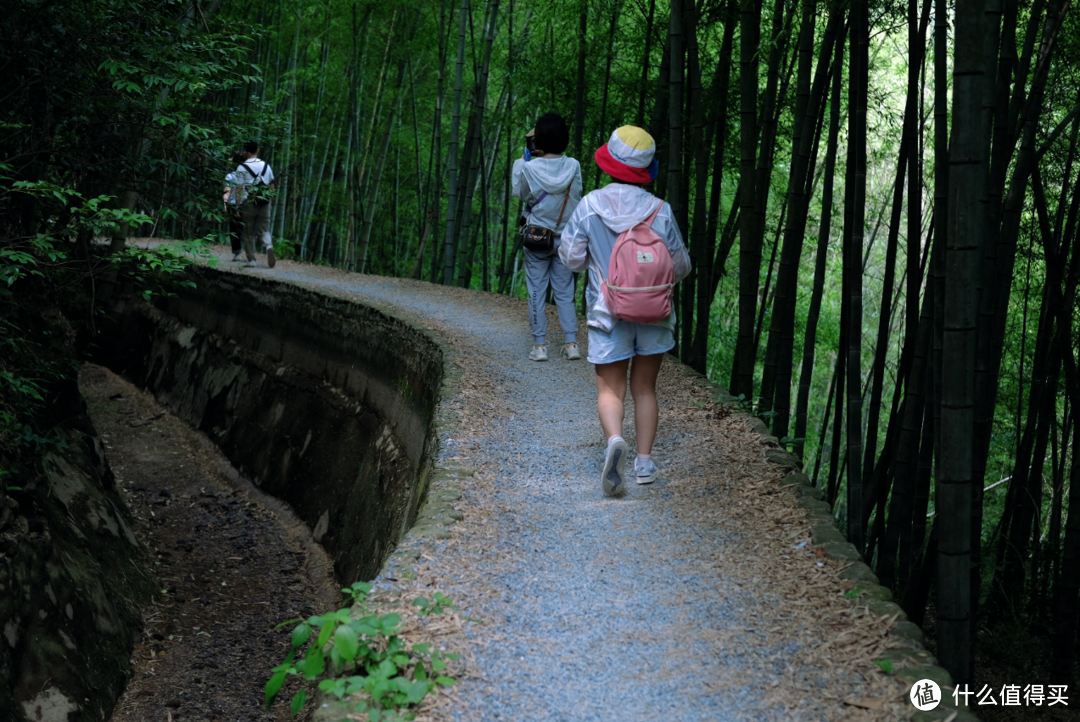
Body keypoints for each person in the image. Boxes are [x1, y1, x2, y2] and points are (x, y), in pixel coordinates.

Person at [559, 126, 691, 496]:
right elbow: (680, 267)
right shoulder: (660, 211)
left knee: (610, 391)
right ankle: (645, 463)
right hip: (655, 313)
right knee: (645, 388)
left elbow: (570, 259)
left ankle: (616, 440)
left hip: (607, 311)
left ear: (609, 164)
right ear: (646, 171)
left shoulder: (589, 206)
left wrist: (601, 264)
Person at [511, 113, 582, 362]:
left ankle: (540, 347)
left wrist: (521, 162)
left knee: (536, 291)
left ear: (538, 140)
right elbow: (576, 198)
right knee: (565, 292)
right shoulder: (574, 166)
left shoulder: (528, 168)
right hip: (565, 239)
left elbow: (519, 194)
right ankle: (571, 344)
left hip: (537, 239)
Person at [233, 140, 276, 268]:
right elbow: (271, 185)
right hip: (264, 203)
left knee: (248, 232)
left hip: (249, 203)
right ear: (258, 150)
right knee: (264, 230)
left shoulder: (242, 167)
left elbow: (239, 188)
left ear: (245, 152)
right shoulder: (266, 166)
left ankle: (251, 260)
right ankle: (268, 245)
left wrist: (237, 206)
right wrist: (270, 202)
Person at [222, 150, 246, 261]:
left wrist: (225, 204)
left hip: (234, 205)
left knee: (235, 229)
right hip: (247, 205)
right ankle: (250, 253)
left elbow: (227, 191)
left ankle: (238, 253)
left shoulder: (231, 176)